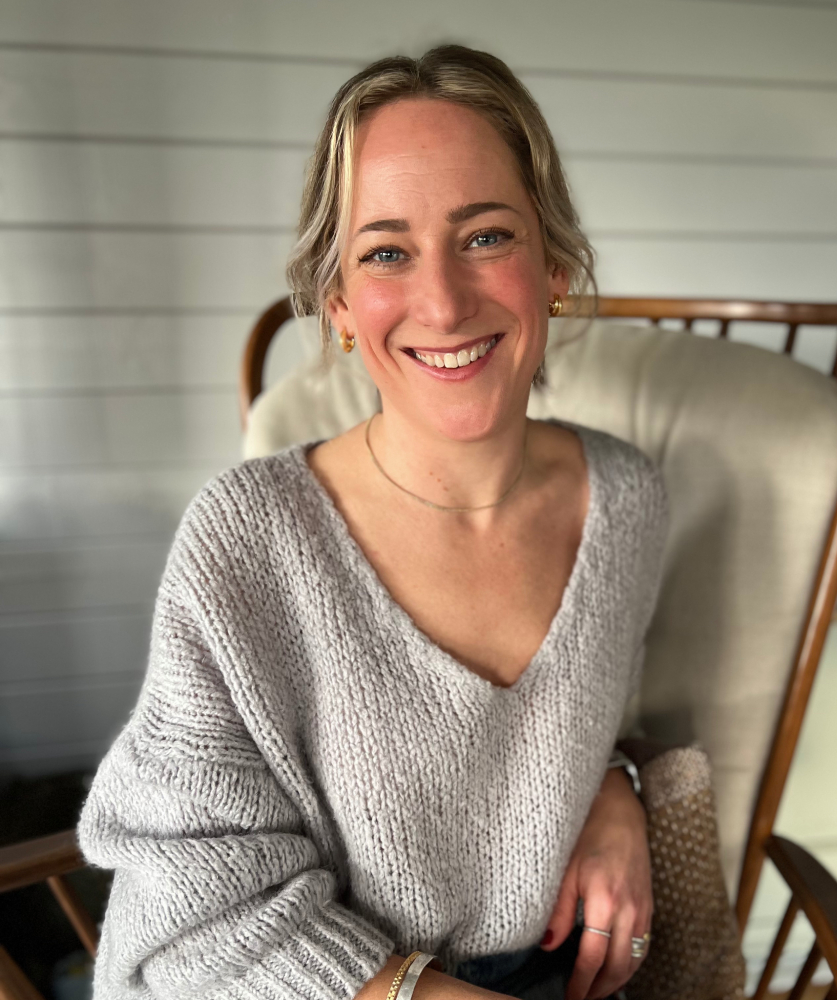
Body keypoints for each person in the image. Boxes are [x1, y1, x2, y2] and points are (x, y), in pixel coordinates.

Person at [78, 44, 668, 1000]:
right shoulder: (246, 541)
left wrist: (615, 791)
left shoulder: (629, 499)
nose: (442, 301)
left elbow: (593, 718)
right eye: (387, 252)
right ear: (341, 304)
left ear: (555, 264)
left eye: (486, 237)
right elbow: (188, 902)